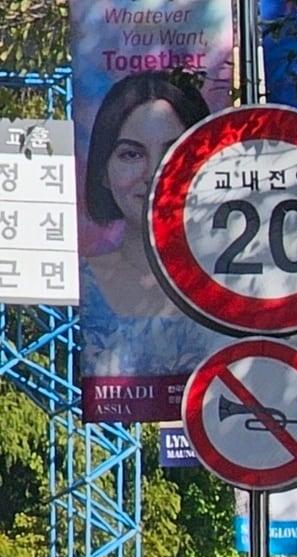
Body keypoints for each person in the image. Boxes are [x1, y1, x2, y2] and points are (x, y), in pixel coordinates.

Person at [80, 71, 226, 382]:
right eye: (131, 154)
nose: (154, 173)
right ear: (103, 171)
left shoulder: (240, 282)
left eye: (174, 152)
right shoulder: (84, 283)